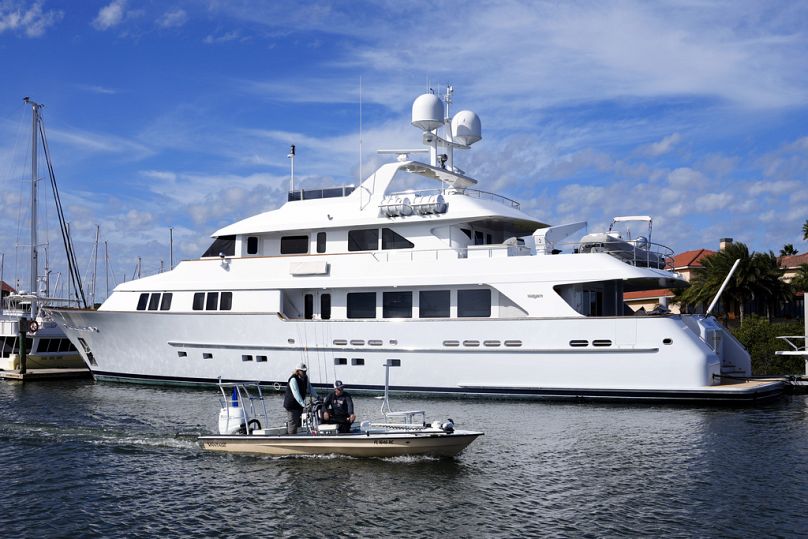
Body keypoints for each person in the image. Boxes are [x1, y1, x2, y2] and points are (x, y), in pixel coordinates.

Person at [283, 362, 318, 434]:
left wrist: (317, 396)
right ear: (298, 371)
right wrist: (303, 404)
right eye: (303, 371)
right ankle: (291, 438)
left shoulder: (305, 378)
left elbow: (309, 388)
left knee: (298, 422)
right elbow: (296, 394)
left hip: (299, 405)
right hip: (291, 405)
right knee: (293, 423)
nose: (305, 372)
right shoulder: (293, 379)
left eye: (305, 371)